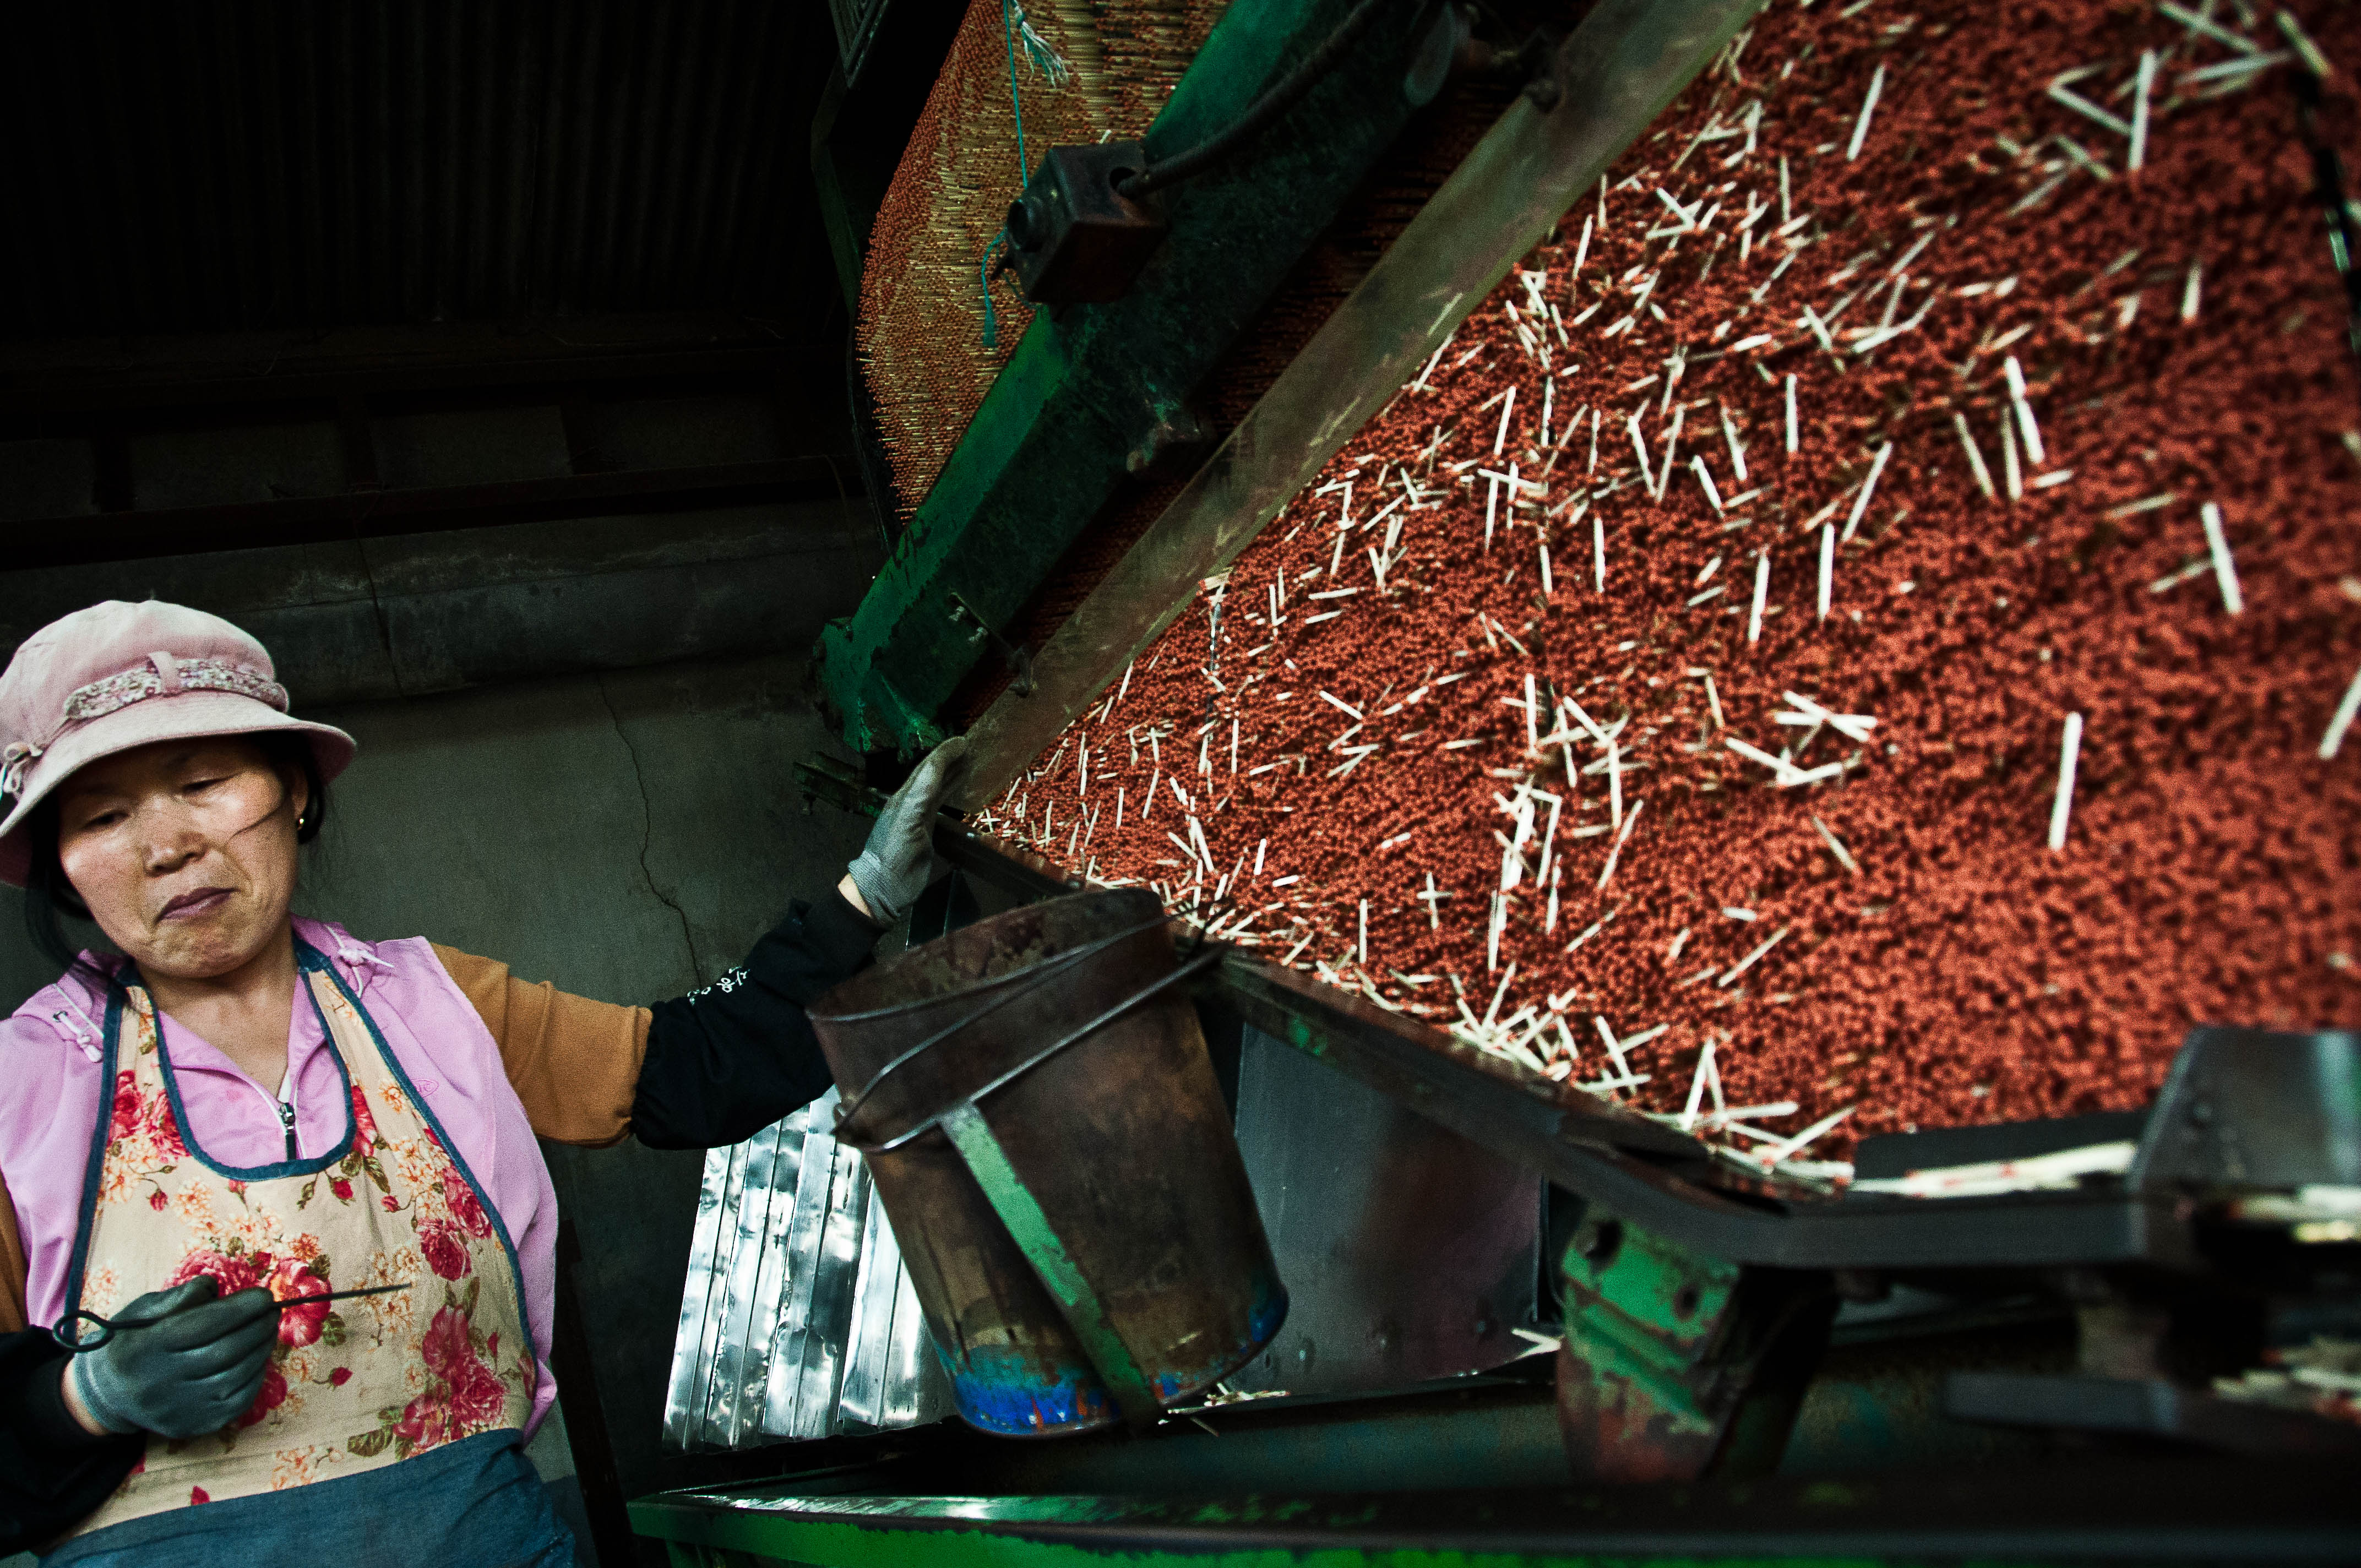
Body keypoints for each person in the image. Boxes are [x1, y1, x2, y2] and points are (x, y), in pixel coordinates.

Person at [0, 600, 967, 1566]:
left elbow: (687, 1068)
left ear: (293, 787)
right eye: (104, 816)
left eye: (202, 781)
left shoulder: (434, 1002)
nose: (165, 845)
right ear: (63, 870)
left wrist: (863, 900)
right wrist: (87, 1398)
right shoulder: (22, 1083)